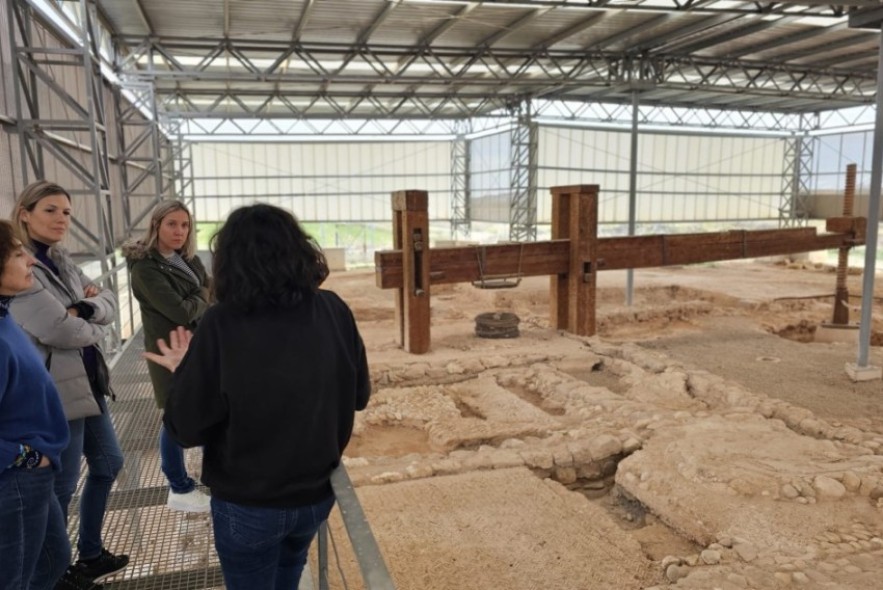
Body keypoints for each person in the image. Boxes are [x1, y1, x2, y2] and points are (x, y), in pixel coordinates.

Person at [145, 204, 371, 590]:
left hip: (249, 504)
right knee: (289, 574)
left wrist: (186, 369)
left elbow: (185, 428)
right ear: (300, 249)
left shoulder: (222, 322)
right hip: (315, 494)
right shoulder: (333, 308)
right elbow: (359, 395)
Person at [10, 181, 129, 589]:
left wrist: (86, 308)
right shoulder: (18, 265)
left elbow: (108, 300)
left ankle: (89, 553)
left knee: (110, 464)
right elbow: (59, 329)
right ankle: (55, 571)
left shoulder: (59, 258)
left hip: (89, 381)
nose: (62, 219)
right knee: (59, 488)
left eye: (66, 213)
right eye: (51, 210)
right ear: (24, 213)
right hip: (59, 389)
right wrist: (94, 322)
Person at [122, 201, 211, 513]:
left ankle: (210, 478)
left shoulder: (188, 258)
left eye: (185, 225)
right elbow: (179, 310)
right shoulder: (145, 268)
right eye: (172, 224)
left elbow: (203, 294)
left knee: (205, 405)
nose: (179, 231)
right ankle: (178, 486)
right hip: (169, 348)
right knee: (174, 414)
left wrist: (199, 297)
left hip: (196, 343)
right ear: (156, 225)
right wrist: (201, 295)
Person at [0, 220, 71, 590]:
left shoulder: (4, 314)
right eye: (16, 254)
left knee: (53, 561)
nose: (30, 260)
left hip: (33, 472)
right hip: (15, 479)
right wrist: (28, 457)